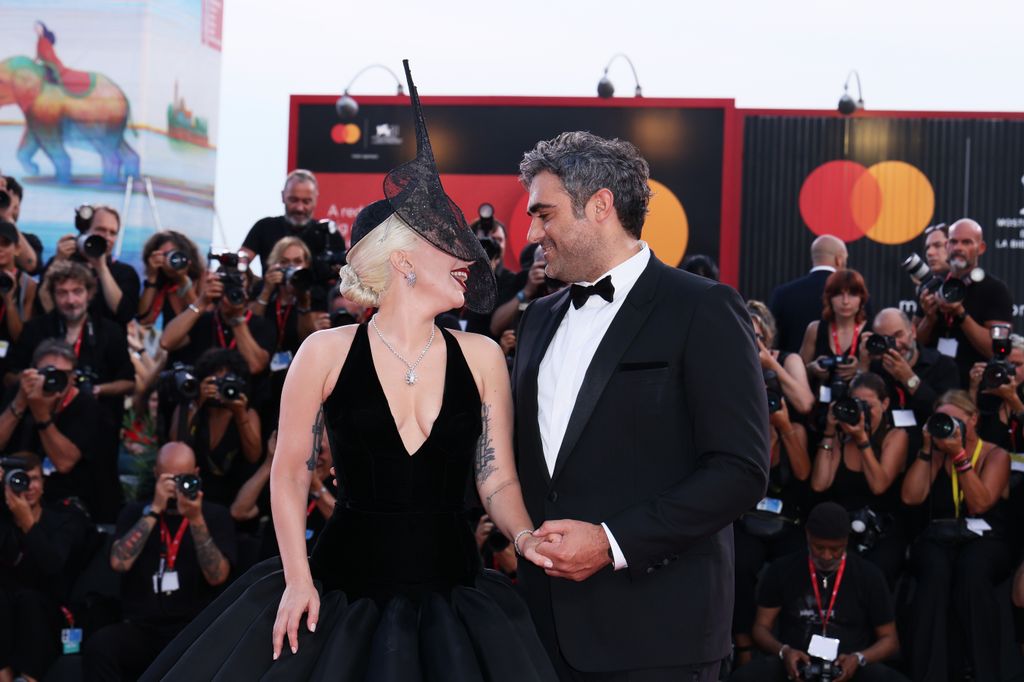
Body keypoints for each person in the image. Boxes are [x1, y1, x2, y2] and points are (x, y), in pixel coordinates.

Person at [141, 61, 558, 681]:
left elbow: (495, 482)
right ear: (404, 261)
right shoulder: (326, 352)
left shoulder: (483, 355)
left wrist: (523, 540)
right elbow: (289, 475)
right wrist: (297, 581)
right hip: (340, 597)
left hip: (456, 601)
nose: (468, 257)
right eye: (451, 244)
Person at [512, 130, 769, 681]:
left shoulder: (702, 308)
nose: (532, 232)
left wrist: (611, 543)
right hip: (538, 634)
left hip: (658, 635)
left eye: (544, 214)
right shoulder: (537, 319)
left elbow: (739, 471)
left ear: (600, 205)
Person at [83, 442, 237, 681]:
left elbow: (217, 576)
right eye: (169, 478)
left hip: (193, 629)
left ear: (196, 474)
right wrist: (154, 510)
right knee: (100, 647)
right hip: (142, 628)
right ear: (156, 474)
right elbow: (118, 563)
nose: (176, 486)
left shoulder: (215, 515)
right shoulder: (135, 512)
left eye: (183, 478)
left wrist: (195, 519)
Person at [900, 390, 1011, 682]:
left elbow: (980, 503)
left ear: (973, 419)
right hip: (939, 535)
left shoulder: (994, 454)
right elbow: (911, 497)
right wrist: (927, 450)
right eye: (942, 421)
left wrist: (959, 455)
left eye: (955, 421)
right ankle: (928, 672)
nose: (948, 427)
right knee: (933, 572)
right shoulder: (935, 453)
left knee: (973, 572)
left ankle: (984, 672)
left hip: (984, 537)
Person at [729, 502, 905, 682]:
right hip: (796, 665)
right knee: (744, 678)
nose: (827, 556)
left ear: (846, 540)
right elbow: (760, 628)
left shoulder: (869, 575)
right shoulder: (782, 569)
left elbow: (890, 640)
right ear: (807, 536)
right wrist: (784, 651)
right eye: (819, 548)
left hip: (849, 667)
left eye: (835, 550)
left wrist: (859, 658)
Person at [733, 301, 813, 667]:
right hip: (744, 513)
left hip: (787, 516)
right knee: (739, 561)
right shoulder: (731, 382)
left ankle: (795, 645)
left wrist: (781, 424)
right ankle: (745, 644)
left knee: (796, 561)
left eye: (758, 337)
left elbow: (801, 473)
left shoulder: (784, 367)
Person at [0, 452, 95, 682]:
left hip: (49, 610)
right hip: (6, 610)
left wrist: (28, 523)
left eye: (34, 479)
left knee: (28, 601)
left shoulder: (64, 518)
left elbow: (52, 565)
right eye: (19, 479)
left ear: (43, 483)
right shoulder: (2, 519)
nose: (28, 486)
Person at [811, 373, 909, 586]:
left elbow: (878, 485)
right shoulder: (840, 435)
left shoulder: (895, 436)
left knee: (873, 576)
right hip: (843, 529)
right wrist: (829, 432)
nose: (862, 412)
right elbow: (820, 484)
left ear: (885, 404)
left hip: (883, 530)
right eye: (856, 404)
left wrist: (862, 440)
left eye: (868, 406)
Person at [0, 340, 107, 519]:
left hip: (64, 504)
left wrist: (41, 414)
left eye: (63, 374)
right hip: (13, 493)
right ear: (32, 371)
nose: (54, 380)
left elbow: (64, 463)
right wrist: (19, 402)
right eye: (47, 372)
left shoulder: (86, 405)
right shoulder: (19, 393)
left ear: (73, 377)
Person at [916, 218, 1014, 387]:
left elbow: (996, 350)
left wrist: (960, 314)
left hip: (976, 387)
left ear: (981, 248)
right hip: (933, 387)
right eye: (953, 242)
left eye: (967, 242)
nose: (958, 248)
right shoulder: (932, 288)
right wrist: (929, 319)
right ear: (947, 247)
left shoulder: (995, 289)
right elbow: (915, 344)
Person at [169, 348, 262, 508]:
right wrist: (197, 402)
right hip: (191, 496)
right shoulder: (189, 408)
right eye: (214, 382)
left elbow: (253, 456)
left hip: (232, 500)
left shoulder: (247, 412)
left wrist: (240, 414)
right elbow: (175, 446)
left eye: (225, 382)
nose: (219, 388)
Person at [861, 308, 960, 431]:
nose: (896, 345)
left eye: (898, 335)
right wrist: (863, 365)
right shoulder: (875, 368)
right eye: (886, 340)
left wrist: (908, 378)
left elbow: (948, 416)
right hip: (885, 442)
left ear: (913, 331)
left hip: (929, 441)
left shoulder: (942, 365)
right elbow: (860, 410)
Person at [43, 205, 140, 328]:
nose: (107, 237)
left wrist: (101, 268)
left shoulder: (125, 272)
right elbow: (43, 304)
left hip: (109, 344)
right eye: (100, 230)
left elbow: (124, 314)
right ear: (85, 232)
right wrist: (58, 261)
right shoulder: (61, 263)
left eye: (113, 233)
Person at [770, 235, 849, 354]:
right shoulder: (855, 296)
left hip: (789, 370)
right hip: (843, 370)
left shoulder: (782, 294)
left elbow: (772, 337)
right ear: (839, 259)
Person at [801, 269, 870, 394]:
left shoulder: (870, 332)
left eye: (852, 294)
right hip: (819, 406)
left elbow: (881, 381)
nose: (845, 301)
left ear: (862, 299)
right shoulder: (815, 329)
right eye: (838, 294)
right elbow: (798, 374)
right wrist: (812, 368)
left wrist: (860, 370)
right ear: (829, 298)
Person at [138, 230, 204, 327]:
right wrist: (152, 277)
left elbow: (203, 320)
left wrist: (184, 282)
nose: (171, 259)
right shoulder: (164, 287)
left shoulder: (202, 278)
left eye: (173, 253)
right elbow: (143, 319)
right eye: (163, 255)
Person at [0, 221, 36, 382]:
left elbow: (20, 337)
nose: (0, 248)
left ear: (17, 249)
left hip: (10, 359)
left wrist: (9, 301)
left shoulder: (28, 285)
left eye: (6, 243)